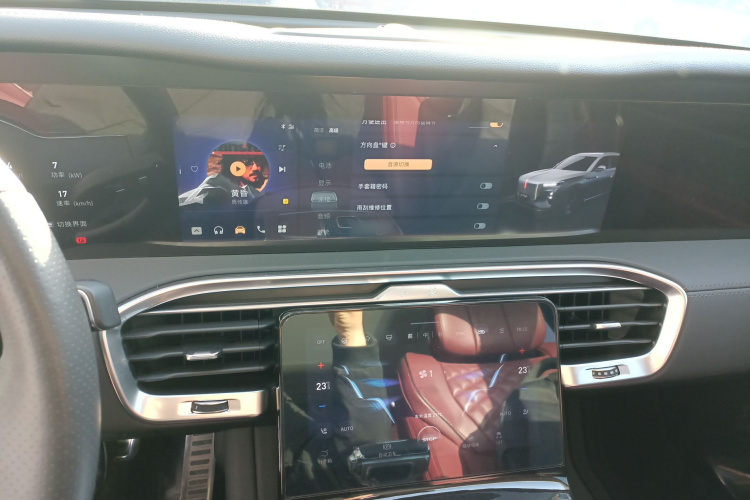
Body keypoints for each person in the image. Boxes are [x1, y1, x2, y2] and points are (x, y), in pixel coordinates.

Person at [178, 153, 269, 207]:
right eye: (248, 162)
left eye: (258, 162)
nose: (256, 168)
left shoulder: (263, 186)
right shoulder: (214, 186)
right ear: (232, 164)